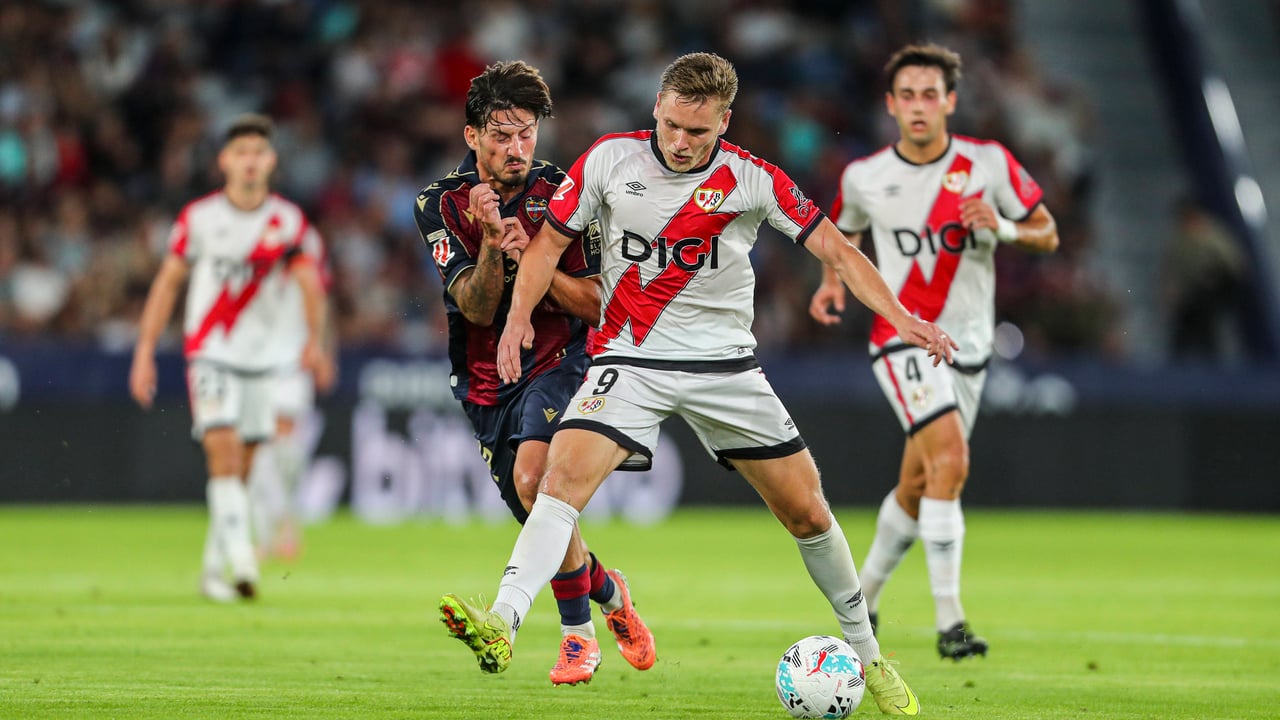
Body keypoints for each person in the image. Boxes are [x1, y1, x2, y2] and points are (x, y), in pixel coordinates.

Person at [441, 52, 955, 715]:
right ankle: (504, 620)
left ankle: (871, 657)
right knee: (557, 480)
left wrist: (902, 317)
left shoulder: (752, 178)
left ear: (725, 123)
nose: (683, 144)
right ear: (658, 106)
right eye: (675, 126)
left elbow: (837, 251)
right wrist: (515, 325)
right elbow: (542, 249)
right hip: (630, 361)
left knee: (808, 513)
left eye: (700, 133)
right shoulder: (609, 161)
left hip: (726, 370)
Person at [808, 43, 1059, 661]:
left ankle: (862, 599)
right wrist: (831, 284)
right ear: (890, 104)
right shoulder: (865, 176)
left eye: (930, 94)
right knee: (950, 461)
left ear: (949, 100)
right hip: (902, 338)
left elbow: (1047, 232)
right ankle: (951, 623)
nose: (919, 106)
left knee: (920, 482)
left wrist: (999, 228)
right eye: (907, 95)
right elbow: (842, 235)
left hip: (971, 347)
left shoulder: (988, 164)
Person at [414, 61, 655, 686]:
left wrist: (537, 265)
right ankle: (610, 594)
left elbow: (604, 300)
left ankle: (576, 639)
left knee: (535, 478)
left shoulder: (568, 193)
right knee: (538, 509)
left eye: (526, 133)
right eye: (500, 135)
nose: (516, 148)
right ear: (471, 137)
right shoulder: (438, 203)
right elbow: (475, 306)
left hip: (564, 360)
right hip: (483, 381)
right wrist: (494, 244)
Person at [129, 113, 333, 602]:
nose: (248, 162)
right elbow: (167, 283)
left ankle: (210, 571)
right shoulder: (199, 218)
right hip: (210, 354)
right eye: (240, 153)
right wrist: (144, 351)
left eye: (257, 153)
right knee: (221, 451)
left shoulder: (287, 221)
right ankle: (244, 560)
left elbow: (310, 285)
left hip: (262, 362)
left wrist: (315, 342)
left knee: (240, 470)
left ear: (271, 161)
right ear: (224, 161)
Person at [249, 227, 335, 561]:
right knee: (255, 444)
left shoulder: (304, 238)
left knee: (284, 442)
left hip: (294, 354)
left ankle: (284, 520)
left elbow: (320, 297)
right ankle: (267, 530)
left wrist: (323, 350)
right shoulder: (244, 240)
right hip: (253, 357)